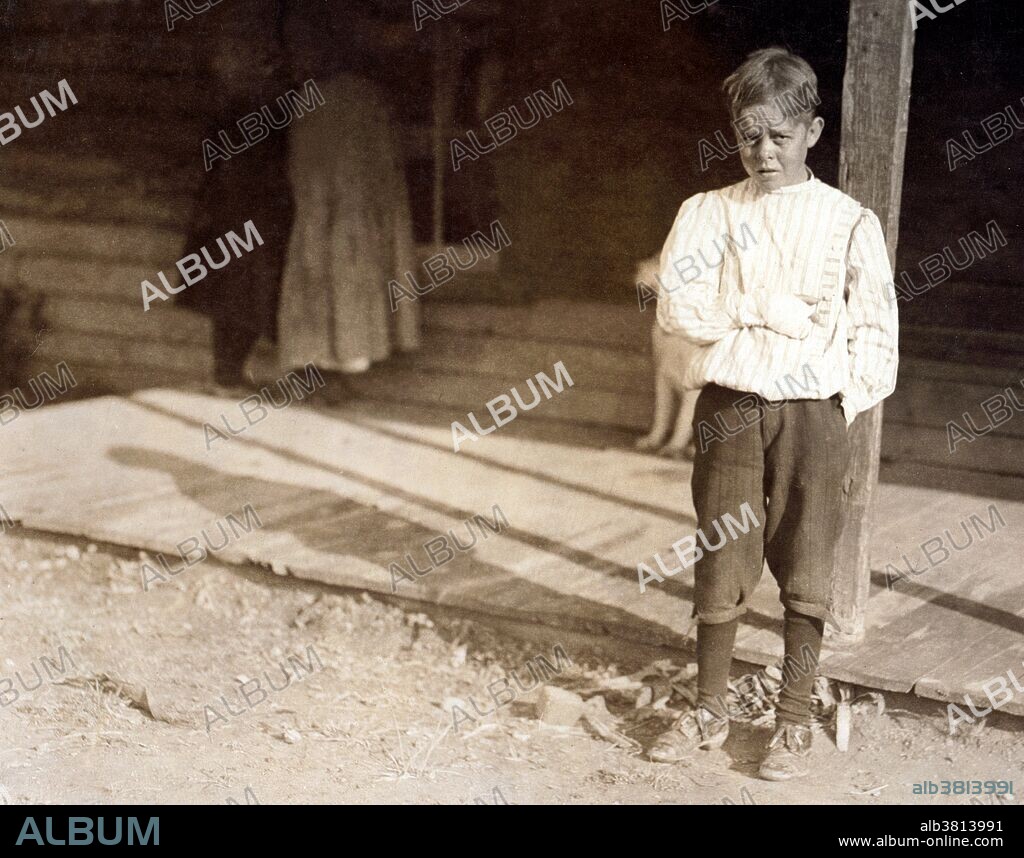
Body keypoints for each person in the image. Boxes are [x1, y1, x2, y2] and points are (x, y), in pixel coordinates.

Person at [648, 47, 898, 780]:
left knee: (806, 557)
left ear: (812, 133)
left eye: (779, 136)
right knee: (723, 552)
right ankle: (708, 708)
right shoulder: (707, 213)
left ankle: (792, 717)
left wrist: (833, 402)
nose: (762, 151)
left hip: (813, 415)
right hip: (730, 409)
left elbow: (876, 335)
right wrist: (763, 308)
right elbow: (680, 306)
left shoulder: (849, 222)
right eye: (748, 134)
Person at [277, 0, 420, 383]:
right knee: (329, 232)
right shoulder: (311, 13)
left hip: (352, 117)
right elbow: (380, 39)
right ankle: (321, 357)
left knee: (350, 231)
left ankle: (344, 353)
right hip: (331, 117)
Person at [178, 24, 294, 391]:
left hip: (242, 207)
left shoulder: (258, 105)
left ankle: (228, 371)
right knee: (240, 292)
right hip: (241, 208)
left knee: (242, 293)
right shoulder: (253, 107)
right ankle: (227, 372)